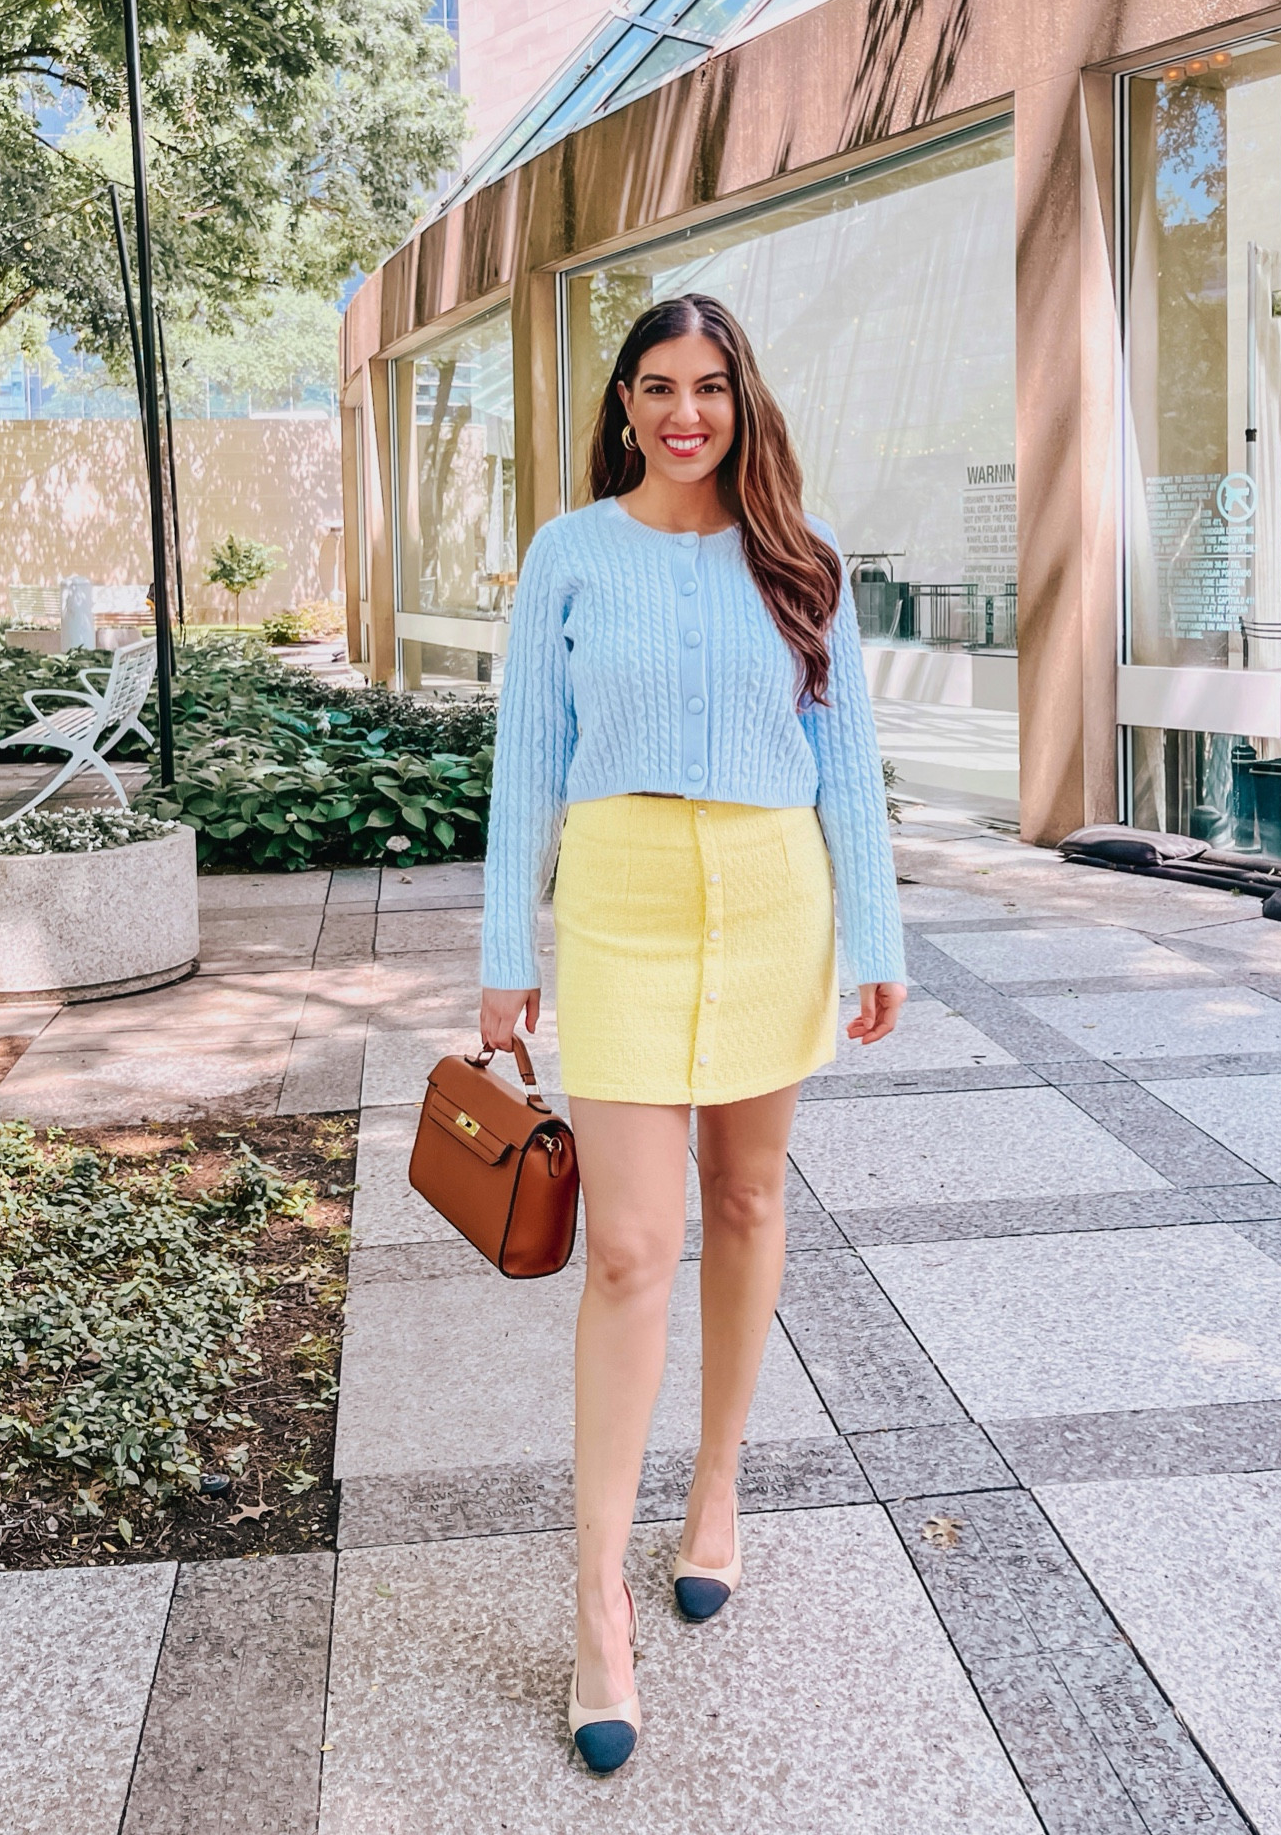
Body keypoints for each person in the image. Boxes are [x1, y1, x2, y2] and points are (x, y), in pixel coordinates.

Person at [479, 293, 906, 1773]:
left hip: (775, 894)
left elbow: (845, 759)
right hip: (619, 904)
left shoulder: (802, 559)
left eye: (709, 386)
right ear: (620, 403)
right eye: (656, 386)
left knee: (747, 1199)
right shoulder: (569, 553)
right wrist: (497, 954)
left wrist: (878, 936)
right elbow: (526, 758)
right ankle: (595, 1594)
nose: (683, 412)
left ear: (743, 400)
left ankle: (715, 1486)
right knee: (628, 1248)